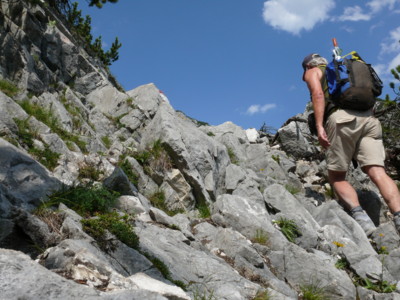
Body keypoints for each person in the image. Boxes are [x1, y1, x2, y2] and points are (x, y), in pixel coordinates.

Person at [302, 53, 400, 236]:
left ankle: (364, 222)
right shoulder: (347, 71)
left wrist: (319, 125)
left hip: (341, 120)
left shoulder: (313, 71)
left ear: (308, 66)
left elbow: (317, 94)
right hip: (369, 120)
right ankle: (399, 216)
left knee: (337, 176)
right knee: (378, 172)